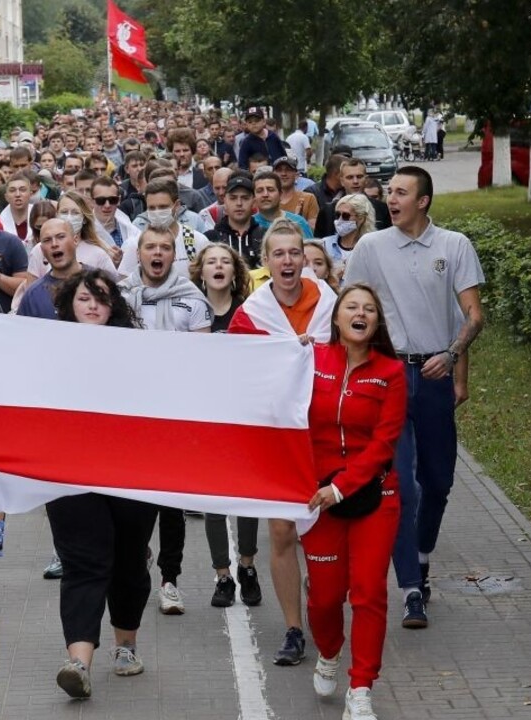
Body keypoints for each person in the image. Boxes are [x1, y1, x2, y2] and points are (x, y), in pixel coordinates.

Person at [343, 166, 485, 629]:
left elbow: (473, 316)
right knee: (401, 486)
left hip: (435, 373)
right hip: (388, 378)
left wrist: (452, 356)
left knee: (438, 483)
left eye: (401, 193)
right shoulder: (371, 247)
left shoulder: (454, 245)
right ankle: (409, 590)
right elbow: (349, 310)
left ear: (423, 201)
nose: (391, 199)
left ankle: (422, 558)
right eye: (389, 193)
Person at [46, 268, 159, 700]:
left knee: (128, 559)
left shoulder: (138, 350)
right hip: (69, 473)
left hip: (131, 472)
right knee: (83, 562)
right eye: (84, 298)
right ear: (69, 305)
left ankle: (125, 646)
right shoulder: (46, 350)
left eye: (102, 298)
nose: (93, 305)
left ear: (115, 306)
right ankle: (79, 662)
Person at [229, 218, 337, 666]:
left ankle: (323, 604)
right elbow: (236, 372)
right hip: (276, 435)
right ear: (266, 261)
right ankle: (294, 628)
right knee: (280, 529)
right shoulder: (251, 313)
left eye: (295, 253)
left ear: (305, 259)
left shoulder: (331, 303)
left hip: (326, 434)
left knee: (324, 528)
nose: (288, 261)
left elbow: (356, 350)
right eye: (279, 254)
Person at [304, 283, 407, 720]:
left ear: (376, 322)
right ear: (337, 318)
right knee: (325, 599)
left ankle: (361, 686)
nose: (360, 313)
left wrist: (342, 486)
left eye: (368, 309)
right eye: (352, 307)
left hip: (375, 496)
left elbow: (384, 443)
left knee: (368, 593)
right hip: (317, 500)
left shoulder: (392, 372)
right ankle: (329, 651)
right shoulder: (311, 360)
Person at [123, 224, 212, 615]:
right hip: (134, 417)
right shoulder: (122, 295)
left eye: (164, 247)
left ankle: (170, 580)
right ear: (139, 253)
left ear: (172, 255)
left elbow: (202, 357)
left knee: (172, 505)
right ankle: (135, 559)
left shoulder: (191, 298)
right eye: (150, 247)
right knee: (136, 500)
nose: (156, 253)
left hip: (176, 415)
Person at [188, 243, 264, 607]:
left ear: (235, 272)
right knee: (213, 498)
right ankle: (223, 576)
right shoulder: (192, 312)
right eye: (210, 262)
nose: (218, 267)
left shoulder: (249, 312)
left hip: (243, 417)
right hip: (206, 418)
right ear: (200, 272)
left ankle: (247, 566)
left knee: (247, 495)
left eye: (224, 262)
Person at [16, 218, 85, 319]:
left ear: (75, 240)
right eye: (47, 240)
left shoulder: (99, 283)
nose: (54, 244)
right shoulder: (33, 295)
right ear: (42, 250)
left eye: (61, 237)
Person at [321, 193, 377, 281]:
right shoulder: (324, 244)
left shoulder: (371, 248)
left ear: (361, 218)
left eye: (345, 216)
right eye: (337, 215)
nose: (340, 220)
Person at [252, 172, 314, 238]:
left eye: (270, 190)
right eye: (260, 191)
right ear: (254, 197)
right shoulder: (249, 224)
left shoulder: (298, 222)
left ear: (280, 194)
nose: (265, 194)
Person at [274, 157, 319, 231]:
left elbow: (313, 231)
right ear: (273, 174)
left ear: (297, 175)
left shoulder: (308, 198)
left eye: (288, 170)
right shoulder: (268, 199)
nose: (283, 174)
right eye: (279, 170)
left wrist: (300, 220)